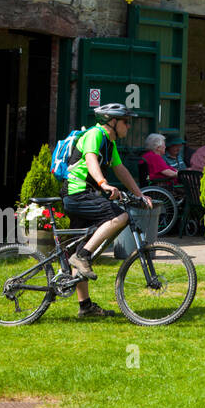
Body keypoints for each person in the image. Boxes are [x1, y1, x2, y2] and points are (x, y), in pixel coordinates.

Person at [62, 104, 154, 318]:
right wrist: (103, 183)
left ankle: (85, 307)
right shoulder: (95, 134)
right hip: (78, 193)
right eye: (126, 122)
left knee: (79, 247)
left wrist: (139, 195)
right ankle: (83, 256)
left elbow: (121, 171)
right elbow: (90, 160)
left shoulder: (110, 144)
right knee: (119, 216)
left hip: (85, 195)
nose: (129, 126)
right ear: (112, 121)